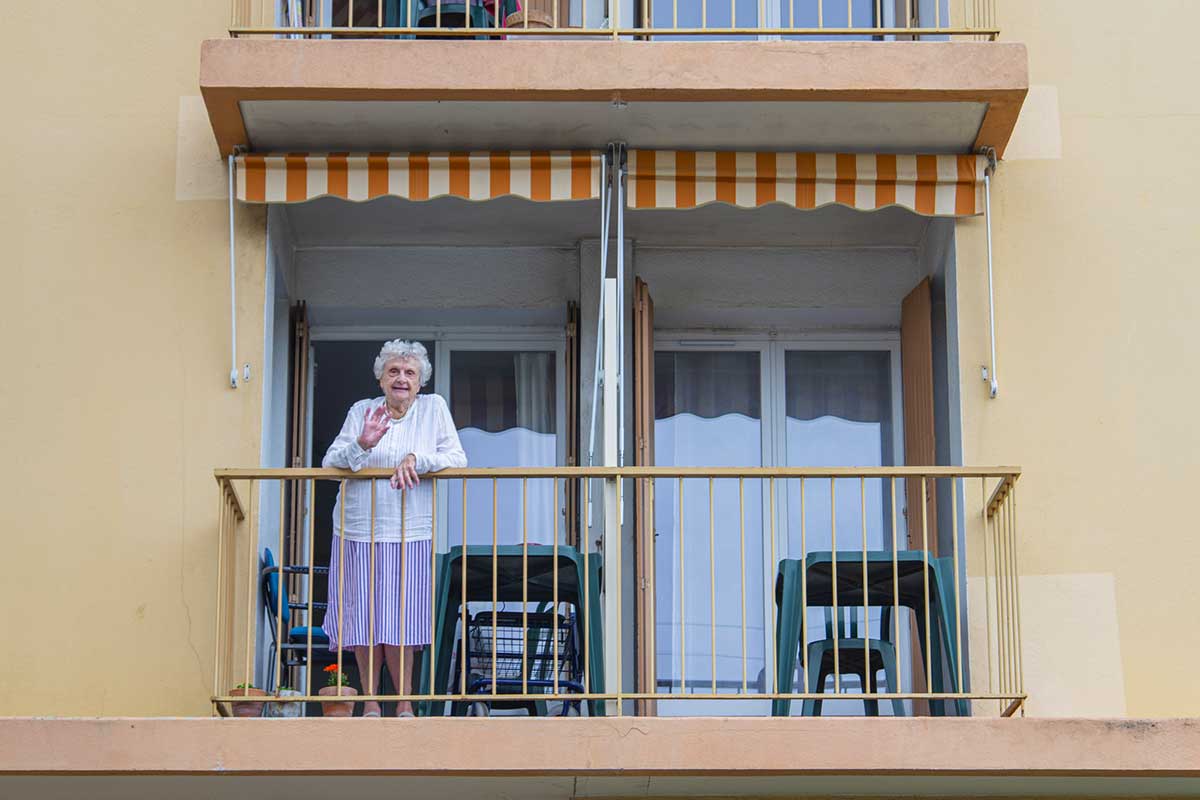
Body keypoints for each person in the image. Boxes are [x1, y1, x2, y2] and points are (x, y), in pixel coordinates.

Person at [322, 339, 466, 717]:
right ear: (381, 378)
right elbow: (331, 461)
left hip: (410, 530)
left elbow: (457, 457)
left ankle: (404, 702)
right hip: (357, 529)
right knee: (366, 618)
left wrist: (418, 458)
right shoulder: (362, 411)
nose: (401, 379)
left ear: (420, 382)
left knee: (401, 618)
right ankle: (370, 701)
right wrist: (362, 444)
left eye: (409, 373)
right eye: (394, 372)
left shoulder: (433, 409)